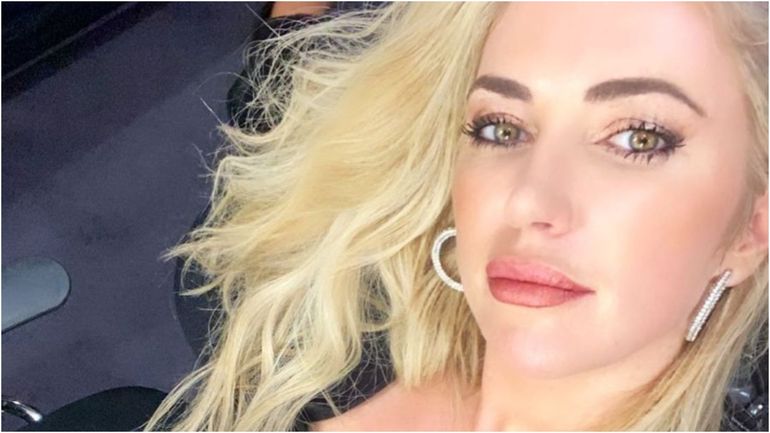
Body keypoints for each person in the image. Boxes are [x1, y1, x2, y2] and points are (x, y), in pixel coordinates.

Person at [145, 2, 768, 431]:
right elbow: (277, 105)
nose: (528, 201)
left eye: (638, 139)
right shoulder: (328, 308)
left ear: (749, 230)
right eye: (501, 128)